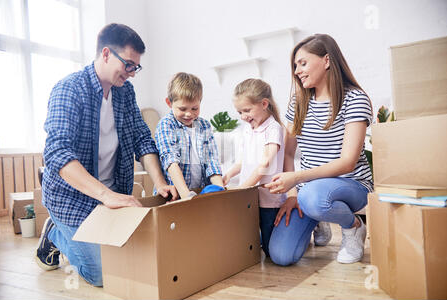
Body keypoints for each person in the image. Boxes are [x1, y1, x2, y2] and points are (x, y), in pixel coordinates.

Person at [35, 23, 178, 287]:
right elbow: (57, 152)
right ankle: (55, 234)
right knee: (103, 273)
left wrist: (159, 182)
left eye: (136, 67)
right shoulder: (69, 89)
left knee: (136, 258)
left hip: (113, 195)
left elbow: (141, 138)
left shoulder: (125, 92)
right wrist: (105, 195)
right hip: (73, 199)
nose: (132, 73)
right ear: (105, 54)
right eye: (128, 65)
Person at [265, 34, 373, 265]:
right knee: (281, 256)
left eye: (303, 63)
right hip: (308, 191)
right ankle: (318, 217)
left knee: (314, 197)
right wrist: (293, 195)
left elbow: (347, 162)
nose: (297, 71)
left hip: (350, 183)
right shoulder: (298, 102)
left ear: (326, 61)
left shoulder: (355, 99)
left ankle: (353, 226)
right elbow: (289, 152)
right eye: (295, 66)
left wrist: (296, 179)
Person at [223, 78, 286, 257]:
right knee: (247, 238)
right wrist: (228, 174)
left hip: (268, 198)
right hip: (249, 195)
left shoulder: (273, 128)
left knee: (269, 249)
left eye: (247, 110)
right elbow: (243, 162)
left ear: (264, 104)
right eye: (239, 112)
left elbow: (265, 163)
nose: (243, 116)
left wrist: (244, 187)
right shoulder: (248, 129)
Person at [155, 72, 224, 199]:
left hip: (199, 192)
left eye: (194, 108)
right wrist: (187, 196)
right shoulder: (166, 124)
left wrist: (221, 190)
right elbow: (170, 162)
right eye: (182, 109)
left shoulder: (204, 126)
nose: (189, 114)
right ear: (169, 103)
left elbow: (212, 161)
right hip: (174, 195)